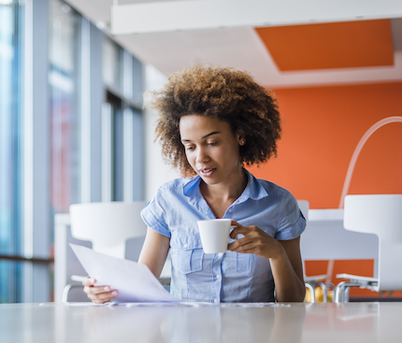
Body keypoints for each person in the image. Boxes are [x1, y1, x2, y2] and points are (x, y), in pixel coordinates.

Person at [83, 66, 306, 303]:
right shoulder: (169, 199)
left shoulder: (278, 204)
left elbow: (292, 303)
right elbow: (143, 284)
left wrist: (276, 254)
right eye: (190, 146)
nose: (200, 158)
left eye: (211, 142)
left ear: (241, 135)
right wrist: (108, 290)